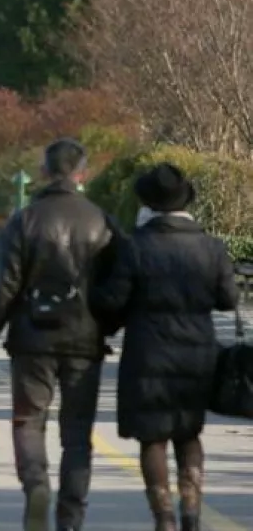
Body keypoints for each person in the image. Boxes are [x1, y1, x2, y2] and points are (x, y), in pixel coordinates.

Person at [0, 138, 118, 531]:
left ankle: (36, 484)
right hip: (85, 343)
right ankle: (71, 518)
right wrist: (108, 323)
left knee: (29, 422)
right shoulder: (101, 222)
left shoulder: (25, 220)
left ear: (43, 172)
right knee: (77, 433)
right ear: (82, 174)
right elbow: (120, 282)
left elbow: (2, 286)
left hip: (32, 340)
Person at [93, 163, 237, 531]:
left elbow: (113, 301)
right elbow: (228, 298)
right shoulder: (211, 247)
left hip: (148, 351)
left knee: (152, 437)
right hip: (197, 353)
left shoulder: (136, 246)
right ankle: (192, 514)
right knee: (189, 433)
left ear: (149, 204)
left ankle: (164, 519)